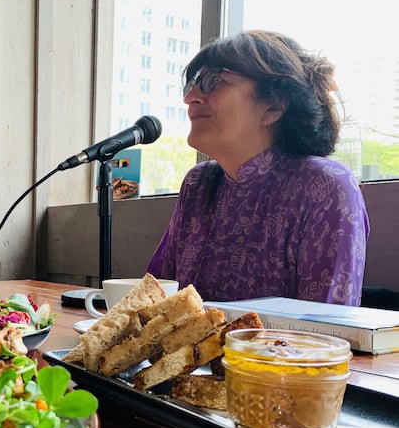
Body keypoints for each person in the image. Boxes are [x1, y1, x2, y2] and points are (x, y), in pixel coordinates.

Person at [146, 30, 369, 306]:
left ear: (273, 106)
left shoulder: (325, 187)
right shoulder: (198, 183)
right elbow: (155, 301)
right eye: (193, 84)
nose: (190, 97)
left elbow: (326, 330)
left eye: (212, 82)